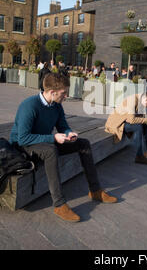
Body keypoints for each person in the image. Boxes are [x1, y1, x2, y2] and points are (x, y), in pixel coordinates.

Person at [10, 73, 117, 222]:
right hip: (23, 146)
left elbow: (62, 126)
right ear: (52, 92)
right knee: (50, 151)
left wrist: (68, 133)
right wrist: (53, 138)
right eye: (64, 93)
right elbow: (22, 138)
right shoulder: (29, 105)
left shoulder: (56, 105)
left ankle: (95, 190)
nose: (66, 96)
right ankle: (59, 204)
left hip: (43, 141)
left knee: (83, 144)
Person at [105, 92, 147, 165]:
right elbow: (131, 120)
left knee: (146, 125)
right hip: (117, 123)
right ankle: (139, 156)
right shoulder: (132, 100)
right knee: (138, 127)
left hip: (125, 121)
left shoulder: (141, 101)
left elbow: (140, 118)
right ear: (146, 100)